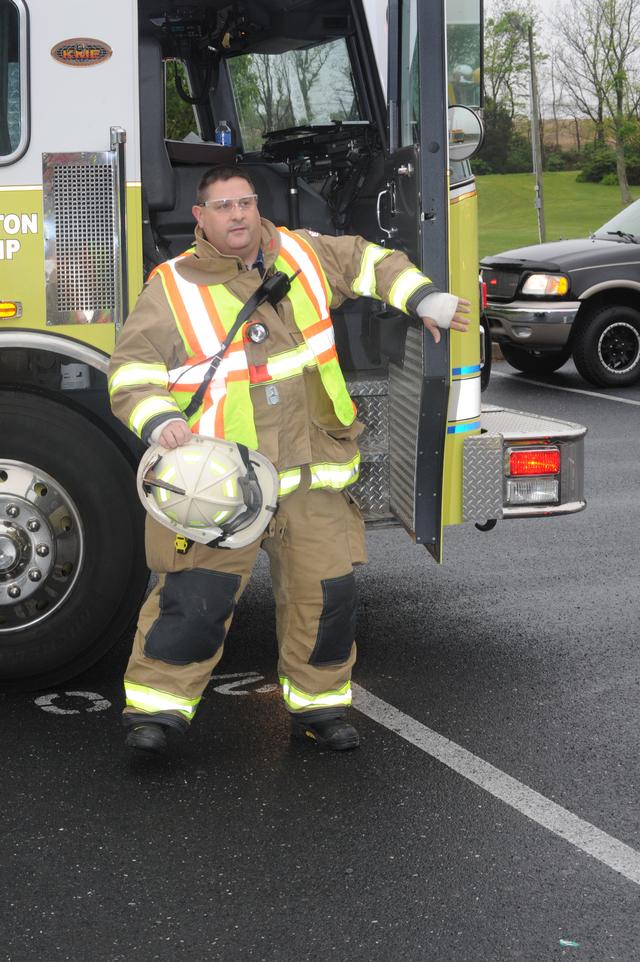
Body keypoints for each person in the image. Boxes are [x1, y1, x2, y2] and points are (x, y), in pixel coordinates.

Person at [108, 165, 471, 755]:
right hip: (220, 482)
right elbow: (130, 372)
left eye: (245, 203)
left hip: (312, 473)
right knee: (192, 601)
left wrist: (423, 296)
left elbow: (370, 262)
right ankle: (156, 713)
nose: (237, 215)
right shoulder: (171, 286)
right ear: (200, 218)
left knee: (326, 598)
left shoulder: (303, 253)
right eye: (222, 206)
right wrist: (159, 419)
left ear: (258, 207)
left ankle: (319, 706)